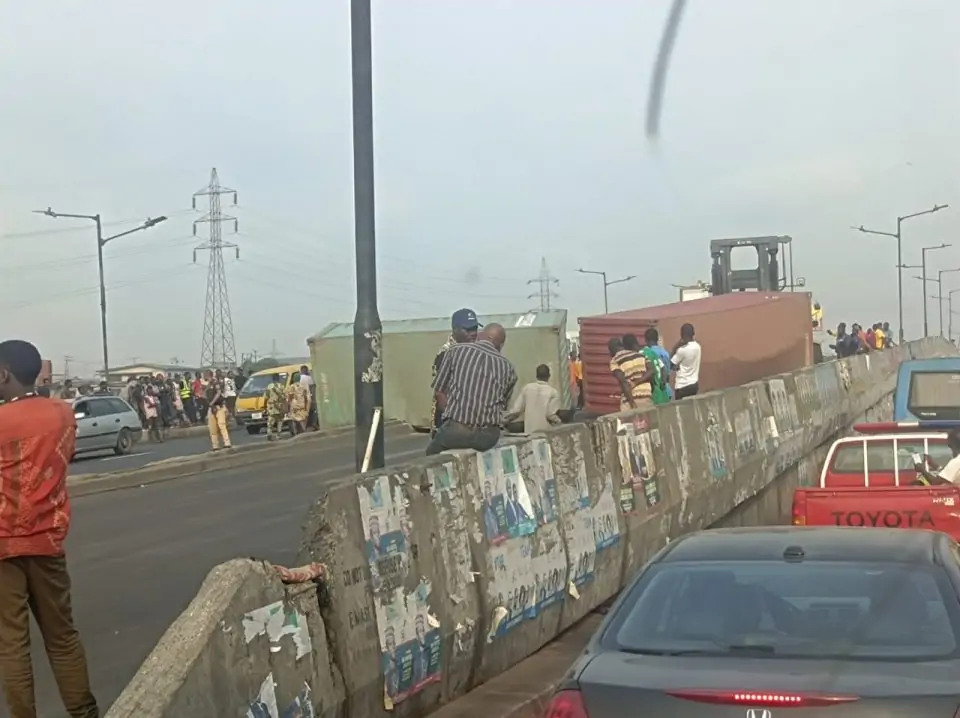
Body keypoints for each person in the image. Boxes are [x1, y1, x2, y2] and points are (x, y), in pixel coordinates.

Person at [0, 339, 99, 718]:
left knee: (12, 645)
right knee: (62, 637)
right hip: (47, 542)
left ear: (3, 374)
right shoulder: (62, 413)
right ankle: (85, 713)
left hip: (3, 547)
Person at [426, 323, 517, 455]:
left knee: (431, 454)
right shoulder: (509, 369)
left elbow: (439, 392)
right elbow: (503, 406)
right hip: (488, 437)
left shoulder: (455, 351)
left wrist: (450, 416)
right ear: (501, 345)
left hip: (457, 429)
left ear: (481, 335)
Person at [431, 309, 481, 436]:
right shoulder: (446, 355)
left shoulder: (473, 351)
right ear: (455, 329)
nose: (473, 333)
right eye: (468, 329)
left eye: (475, 328)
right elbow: (441, 394)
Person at [505, 364, 562, 433]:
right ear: (549, 376)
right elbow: (550, 414)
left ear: (536, 376)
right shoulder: (553, 392)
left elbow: (517, 410)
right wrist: (559, 422)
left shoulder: (527, 388)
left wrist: (505, 420)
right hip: (545, 433)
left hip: (529, 432)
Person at [607, 337, 654, 412]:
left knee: (628, 419)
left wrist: (632, 403)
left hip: (630, 400)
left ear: (611, 350)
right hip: (646, 396)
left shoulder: (615, 360)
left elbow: (623, 382)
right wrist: (637, 382)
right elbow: (651, 371)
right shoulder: (640, 355)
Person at [625, 332, 669, 405]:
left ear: (628, 347)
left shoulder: (640, 356)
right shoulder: (650, 351)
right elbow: (663, 368)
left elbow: (651, 373)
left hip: (654, 396)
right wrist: (663, 383)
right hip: (663, 394)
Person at [671, 323, 702, 400]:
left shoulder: (682, 350)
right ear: (693, 333)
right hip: (694, 384)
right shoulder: (698, 347)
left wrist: (676, 346)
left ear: (682, 335)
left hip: (682, 386)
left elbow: (671, 364)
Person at [642, 329, 673, 400]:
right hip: (667, 390)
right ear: (657, 339)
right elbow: (668, 374)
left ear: (646, 340)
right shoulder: (665, 353)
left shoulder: (647, 353)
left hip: (655, 392)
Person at [204, 370, 232, 450]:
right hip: (211, 407)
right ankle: (215, 445)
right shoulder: (208, 385)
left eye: (205, 375)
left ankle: (227, 442)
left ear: (208, 375)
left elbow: (218, 393)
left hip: (219, 406)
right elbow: (205, 395)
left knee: (221, 425)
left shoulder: (215, 383)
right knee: (212, 427)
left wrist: (212, 403)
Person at [264, 373, 288, 441]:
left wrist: (265, 406)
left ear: (272, 379)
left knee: (270, 421)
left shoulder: (269, 386)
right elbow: (285, 397)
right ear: (278, 378)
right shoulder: (282, 386)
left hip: (272, 406)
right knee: (280, 421)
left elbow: (266, 397)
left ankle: (269, 434)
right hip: (280, 406)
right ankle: (278, 435)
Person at [298, 365, 318, 429]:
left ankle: (304, 427)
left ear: (301, 370)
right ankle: (314, 423)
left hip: (302, 398)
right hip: (309, 397)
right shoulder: (309, 378)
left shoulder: (300, 378)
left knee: (304, 412)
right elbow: (313, 388)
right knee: (314, 410)